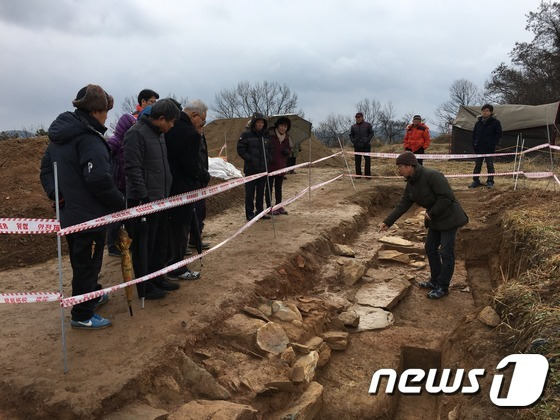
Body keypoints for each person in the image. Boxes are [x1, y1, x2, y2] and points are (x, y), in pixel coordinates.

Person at [40, 84, 125, 329]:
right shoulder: (89, 139)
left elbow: (46, 170)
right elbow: (99, 179)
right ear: (96, 111)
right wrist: (121, 202)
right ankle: (82, 314)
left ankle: (92, 294)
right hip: (89, 217)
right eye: (106, 110)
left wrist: (59, 196)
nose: (108, 115)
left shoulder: (60, 138)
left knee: (83, 262)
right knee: (87, 264)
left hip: (70, 214)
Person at [379, 151, 468, 299]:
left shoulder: (432, 175)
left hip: (449, 218)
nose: (398, 170)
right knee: (430, 248)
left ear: (410, 166)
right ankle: (434, 281)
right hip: (434, 219)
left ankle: (443, 287)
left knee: (446, 252)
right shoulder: (411, 183)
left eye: (400, 166)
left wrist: (431, 213)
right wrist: (387, 222)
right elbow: (403, 204)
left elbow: (447, 197)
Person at [124, 99, 180, 299]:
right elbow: (132, 168)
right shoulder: (136, 133)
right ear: (161, 118)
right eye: (171, 122)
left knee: (160, 242)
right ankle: (144, 286)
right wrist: (143, 197)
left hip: (161, 197)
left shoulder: (159, 135)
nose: (172, 126)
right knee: (144, 246)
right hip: (145, 201)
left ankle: (158, 277)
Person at [165, 99, 210, 280]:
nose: (202, 124)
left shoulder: (171, 128)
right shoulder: (190, 134)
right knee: (181, 230)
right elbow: (191, 165)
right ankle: (178, 267)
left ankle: (170, 264)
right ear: (194, 115)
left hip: (168, 186)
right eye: (202, 120)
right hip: (183, 188)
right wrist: (204, 176)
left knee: (172, 230)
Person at [105, 113, 136, 257]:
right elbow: (106, 161)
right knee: (115, 217)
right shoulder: (114, 142)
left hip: (126, 184)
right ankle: (111, 246)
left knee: (125, 216)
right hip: (116, 184)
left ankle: (124, 242)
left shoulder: (127, 142)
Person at [237, 112, 273, 221]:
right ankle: (249, 213)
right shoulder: (246, 135)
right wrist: (250, 159)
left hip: (263, 169)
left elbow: (271, 149)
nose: (260, 125)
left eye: (262, 123)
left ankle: (260, 212)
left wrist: (268, 159)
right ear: (254, 123)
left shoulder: (266, 136)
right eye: (258, 122)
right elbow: (240, 149)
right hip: (251, 170)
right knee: (250, 193)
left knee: (260, 192)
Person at [469, 104, 502, 189]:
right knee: (477, 165)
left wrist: (493, 144)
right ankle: (475, 181)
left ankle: (490, 181)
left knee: (490, 165)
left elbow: (498, 134)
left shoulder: (495, 122)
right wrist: (474, 144)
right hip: (479, 148)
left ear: (491, 112)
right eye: (483, 110)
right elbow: (474, 135)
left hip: (489, 148)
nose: (485, 112)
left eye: (487, 110)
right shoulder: (478, 123)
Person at [265, 116, 292, 215]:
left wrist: (287, 151)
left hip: (281, 166)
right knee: (269, 187)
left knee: (278, 187)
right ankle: (269, 207)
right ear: (277, 126)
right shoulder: (270, 136)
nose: (283, 128)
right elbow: (265, 149)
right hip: (271, 166)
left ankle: (279, 205)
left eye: (285, 126)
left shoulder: (286, 137)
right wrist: (269, 158)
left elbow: (289, 149)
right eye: (281, 125)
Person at [349, 112, 374, 177]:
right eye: (356, 117)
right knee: (357, 161)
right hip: (357, 146)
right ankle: (358, 174)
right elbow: (351, 135)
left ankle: (367, 175)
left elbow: (371, 133)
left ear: (362, 118)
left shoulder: (367, 125)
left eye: (359, 117)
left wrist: (367, 140)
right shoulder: (353, 127)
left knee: (367, 161)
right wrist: (353, 141)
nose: (358, 119)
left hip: (366, 146)